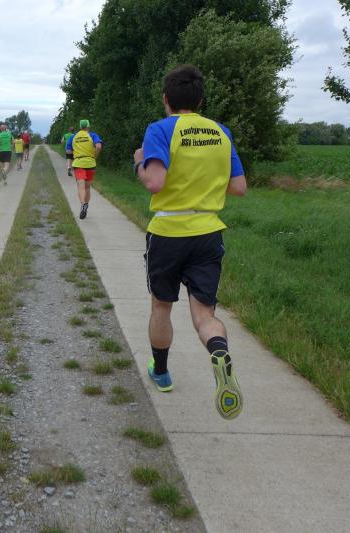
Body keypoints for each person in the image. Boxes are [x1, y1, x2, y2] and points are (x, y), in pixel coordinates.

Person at [133, 64, 247, 420]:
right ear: (200, 100)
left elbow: (154, 182)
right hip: (208, 233)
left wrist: (139, 163)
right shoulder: (221, 132)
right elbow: (239, 187)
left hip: (168, 232)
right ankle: (218, 350)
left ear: (166, 99)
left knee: (161, 306)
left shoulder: (160, 129)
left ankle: (161, 372)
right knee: (204, 314)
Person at [66, 119, 103, 219]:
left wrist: (76, 153)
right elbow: (98, 146)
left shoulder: (74, 136)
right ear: (88, 126)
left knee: (80, 187)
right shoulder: (92, 135)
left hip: (78, 164)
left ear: (80, 126)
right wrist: (95, 155)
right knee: (87, 188)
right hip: (91, 163)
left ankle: (83, 204)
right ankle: (86, 204)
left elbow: (68, 151)